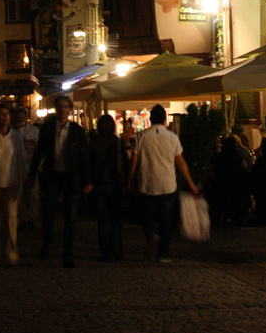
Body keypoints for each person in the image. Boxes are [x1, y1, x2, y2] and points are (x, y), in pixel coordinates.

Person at [28, 94, 92, 268]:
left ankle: (68, 254)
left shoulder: (77, 131)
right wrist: (32, 175)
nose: (63, 110)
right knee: (48, 214)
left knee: (70, 218)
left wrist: (87, 180)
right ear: (56, 109)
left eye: (65, 107)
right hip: (53, 176)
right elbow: (39, 152)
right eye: (60, 107)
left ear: (69, 110)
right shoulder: (48, 129)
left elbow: (83, 157)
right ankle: (47, 244)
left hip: (70, 177)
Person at [129, 103, 198, 263]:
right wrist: (191, 183)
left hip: (147, 184)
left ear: (151, 119)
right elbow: (181, 162)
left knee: (147, 216)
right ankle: (163, 254)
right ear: (165, 120)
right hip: (168, 185)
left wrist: (130, 178)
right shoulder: (172, 137)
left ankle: (152, 234)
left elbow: (134, 159)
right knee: (166, 220)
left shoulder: (141, 136)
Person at [0, 104, 28, 265]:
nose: (5, 117)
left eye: (7, 114)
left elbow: (21, 157)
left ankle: (11, 250)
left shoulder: (15, 136)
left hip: (13, 180)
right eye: (2, 114)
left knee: (11, 217)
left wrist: (26, 175)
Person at [89, 114, 129, 262]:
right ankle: (117, 250)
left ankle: (105, 252)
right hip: (116, 185)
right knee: (116, 219)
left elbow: (89, 165)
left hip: (99, 185)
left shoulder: (94, 143)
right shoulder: (118, 143)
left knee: (103, 220)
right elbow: (126, 163)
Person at [12, 107, 39, 228]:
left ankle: (32, 217)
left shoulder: (34, 130)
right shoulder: (11, 132)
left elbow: (38, 147)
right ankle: (22, 218)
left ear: (26, 118)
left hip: (31, 163)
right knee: (20, 193)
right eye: (18, 118)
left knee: (33, 193)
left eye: (22, 118)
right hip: (17, 166)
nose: (20, 120)